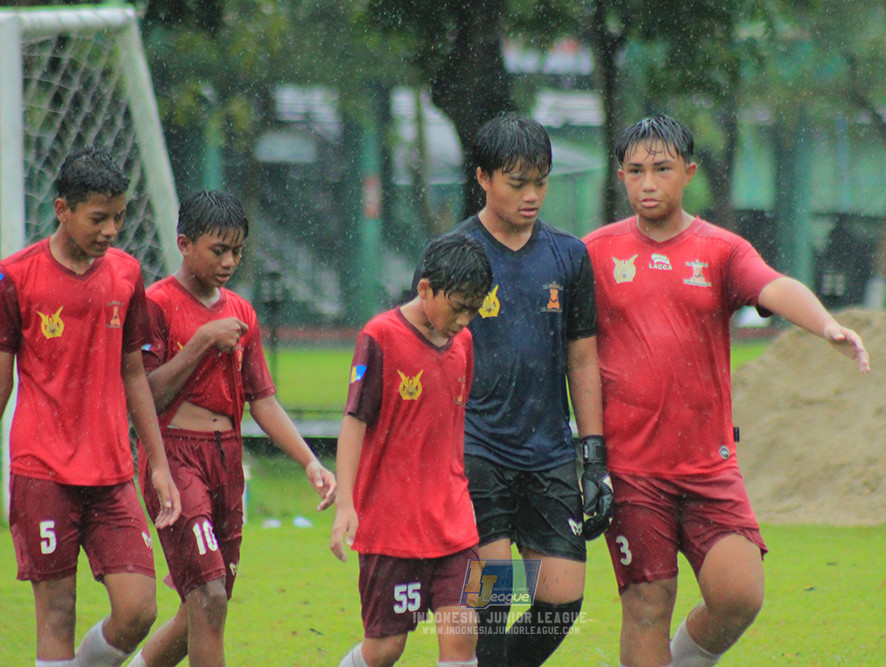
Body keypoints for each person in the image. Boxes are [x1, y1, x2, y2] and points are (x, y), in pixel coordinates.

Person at [583, 114, 871, 667]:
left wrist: (826, 325)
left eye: (662, 169)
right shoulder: (593, 253)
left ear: (688, 173)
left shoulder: (720, 250)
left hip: (707, 466)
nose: (648, 183)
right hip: (632, 470)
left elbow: (774, 285)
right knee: (646, 603)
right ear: (620, 176)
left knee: (740, 595)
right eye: (636, 170)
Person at [425, 112, 610, 667]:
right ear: (482, 178)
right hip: (476, 450)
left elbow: (582, 356)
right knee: (493, 598)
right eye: (517, 182)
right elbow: (425, 352)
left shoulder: (569, 256)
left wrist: (594, 455)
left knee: (561, 601)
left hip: (550, 451)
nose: (532, 196)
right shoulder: (455, 254)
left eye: (541, 181)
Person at [126, 190, 336, 667]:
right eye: (218, 250)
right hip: (175, 459)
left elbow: (262, 401)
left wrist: (309, 462)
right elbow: (146, 394)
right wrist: (201, 341)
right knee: (209, 597)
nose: (229, 261)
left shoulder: (242, 313)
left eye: (237, 250)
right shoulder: (156, 304)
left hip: (227, 464)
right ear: (184, 243)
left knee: (201, 608)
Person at [0, 146, 181, 667]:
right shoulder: (16, 278)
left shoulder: (126, 275)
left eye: (119, 217)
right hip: (43, 471)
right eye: (98, 218)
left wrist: (160, 464)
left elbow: (134, 374)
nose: (111, 230)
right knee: (57, 615)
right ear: (63, 210)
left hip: (111, 472)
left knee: (138, 610)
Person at [330, 234, 493, 667]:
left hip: (456, 524)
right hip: (391, 526)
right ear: (424, 289)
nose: (463, 319)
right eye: (456, 306)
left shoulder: (464, 343)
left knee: (463, 641)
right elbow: (354, 421)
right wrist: (346, 502)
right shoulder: (380, 335)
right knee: (385, 648)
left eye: (473, 309)